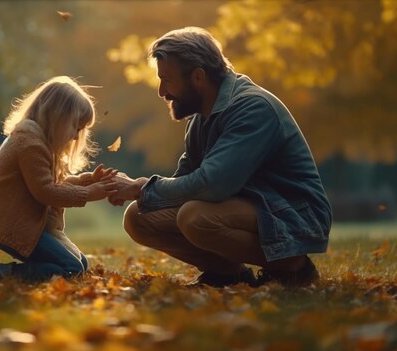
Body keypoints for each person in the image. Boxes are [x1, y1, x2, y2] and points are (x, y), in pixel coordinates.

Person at [109, 27, 332, 288]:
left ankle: (293, 268)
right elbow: (184, 181)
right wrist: (137, 190)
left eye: (167, 80)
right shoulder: (201, 117)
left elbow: (211, 185)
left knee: (194, 217)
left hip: (293, 212)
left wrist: (142, 187)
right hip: (248, 206)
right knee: (138, 216)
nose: (161, 91)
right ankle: (227, 274)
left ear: (198, 77)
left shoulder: (253, 108)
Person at [0, 76, 117, 282]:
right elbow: (46, 192)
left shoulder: (35, 139)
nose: (76, 137)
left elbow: (51, 183)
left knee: (80, 264)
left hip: (23, 223)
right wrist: (89, 193)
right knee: (72, 269)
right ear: (58, 118)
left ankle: (15, 273)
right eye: (76, 127)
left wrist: (88, 180)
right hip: (11, 225)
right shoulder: (30, 144)